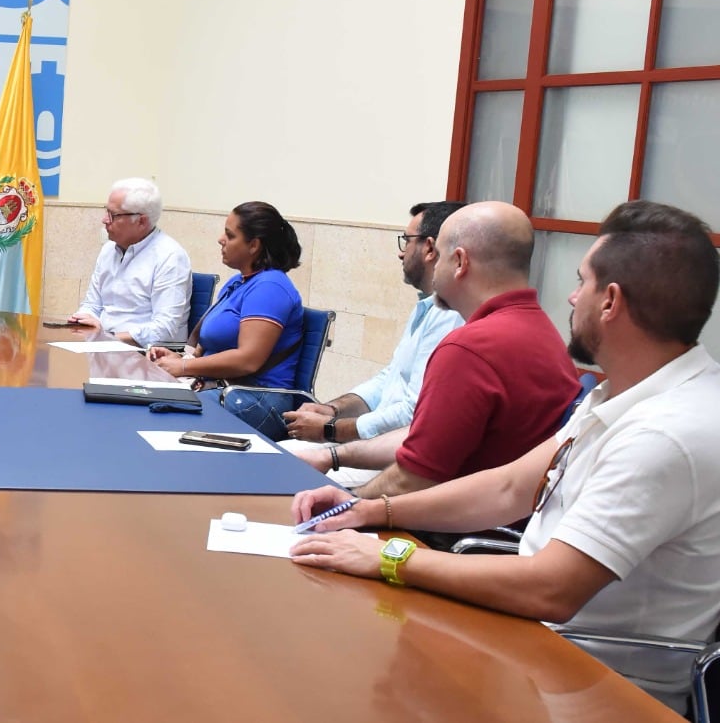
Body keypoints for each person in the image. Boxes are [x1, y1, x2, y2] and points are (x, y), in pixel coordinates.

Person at [291, 200, 720, 713]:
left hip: (595, 688)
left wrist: (389, 556)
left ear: (609, 302)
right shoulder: (624, 393)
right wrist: (369, 510)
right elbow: (508, 486)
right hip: (539, 652)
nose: (569, 294)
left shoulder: (666, 433)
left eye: (581, 281)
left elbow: (549, 589)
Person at [307, 202, 580, 500]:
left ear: (460, 262)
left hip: (455, 529)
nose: (434, 267)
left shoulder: (469, 348)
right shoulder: (541, 329)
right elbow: (421, 437)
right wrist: (333, 457)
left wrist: (348, 501)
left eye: (440, 257)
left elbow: (413, 479)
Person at [280, 201, 467, 486]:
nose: (400, 252)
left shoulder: (451, 315)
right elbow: (388, 379)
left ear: (430, 248)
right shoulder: (428, 307)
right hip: (371, 444)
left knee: (279, 466)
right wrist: (332, 410)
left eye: (407, 241)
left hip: (389, 460)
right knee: (274, 457)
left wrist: (331, 430)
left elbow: (412, 413)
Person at [147, 201, 304, 440]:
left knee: (158, 415)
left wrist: (184, 367)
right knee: (140, 397)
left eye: (230, 235)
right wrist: (180, 358)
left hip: (256, 397)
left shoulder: (270, 286)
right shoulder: (238, 282)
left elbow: (247, 360)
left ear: (254, 245)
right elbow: (212, 346)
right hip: (223, 387)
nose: (221, 239)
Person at [61, 177, 192, 346]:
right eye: (106, 211)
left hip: (148, 356)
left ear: (141, 221)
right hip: (104, 347)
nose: (105, 220)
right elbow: (92, 305)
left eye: (113, 215)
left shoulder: (170, 257)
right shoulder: (108, 250)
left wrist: (109, 337)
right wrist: (83, 319)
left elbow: (165, 328)